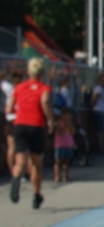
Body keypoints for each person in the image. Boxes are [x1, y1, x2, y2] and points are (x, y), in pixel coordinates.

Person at [7, 58, 54, 209]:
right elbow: (45, 102)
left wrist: (18, 111)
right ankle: (36, 194)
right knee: (36, 163)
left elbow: (8, 108)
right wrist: (51, 120)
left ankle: (15, 180)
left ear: (29, 72)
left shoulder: (19, 87)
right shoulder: (44, 88)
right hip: (36, 125)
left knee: (20, 160)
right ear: (42, 73)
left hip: (20, 125)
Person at [2, 69, 22, 176]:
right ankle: (17, 171)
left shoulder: (7, 88)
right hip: (17, 119)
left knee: (11, 147)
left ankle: (12, 171)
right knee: (19, 148)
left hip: (9, 118)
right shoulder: (16, 90)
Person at [90, 73, 104, 153]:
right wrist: (92, 107)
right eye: (102, 80)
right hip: (99, 111)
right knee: (101, 130)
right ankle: (101, 148)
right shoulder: (98, 88)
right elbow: (94, 99)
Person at [52, 111, 76, 183]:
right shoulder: (59, 123)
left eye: (69, 117)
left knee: (67, 161)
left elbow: (73, 132)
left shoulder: (71, 124)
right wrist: (65, 126)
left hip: (69, 145)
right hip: (60, 145)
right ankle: (57, 176)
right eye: (65, 116)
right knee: (58, 161)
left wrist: (70, 126)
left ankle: (66, 176)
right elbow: (60, 132)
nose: (67, 118)